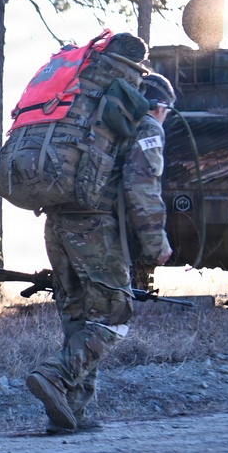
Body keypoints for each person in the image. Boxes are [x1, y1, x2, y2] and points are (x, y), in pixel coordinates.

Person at [26, 71, 175, 434]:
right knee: (113, 317)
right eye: (167, 112)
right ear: (158, 106)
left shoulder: (90, 121)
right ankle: (55, 375)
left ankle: (68, 412)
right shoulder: (146, 127)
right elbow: (142, 187)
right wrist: (157, 244)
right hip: (94, 229)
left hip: (57, 225)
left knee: (78, 317)